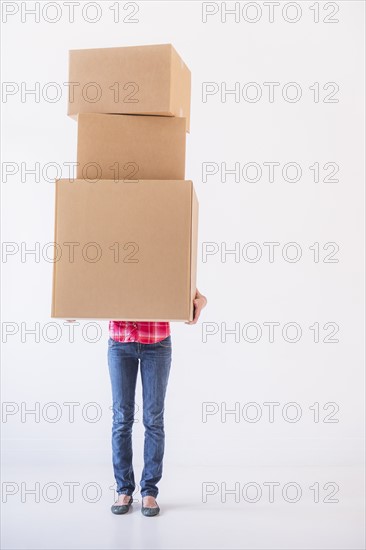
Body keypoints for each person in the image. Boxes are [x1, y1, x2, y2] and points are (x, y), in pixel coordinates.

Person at [108, 288, 207, 517]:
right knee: (122, 418)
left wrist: (198, 305)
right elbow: (87, 293)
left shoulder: (164, 258)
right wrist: (73, 307)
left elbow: (198, 295)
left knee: (153, 419)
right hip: (120, 342)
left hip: (157, 344)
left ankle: (149, 492)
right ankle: (124, 490)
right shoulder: (112, 257)